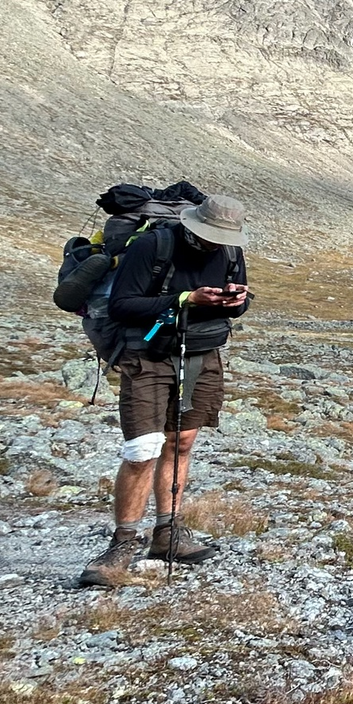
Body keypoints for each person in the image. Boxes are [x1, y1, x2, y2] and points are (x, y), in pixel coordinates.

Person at [78, 194, 252, 586]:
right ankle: (122, 543)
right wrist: (185, 298)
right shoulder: (152, 245)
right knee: (142, 450)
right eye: (208, 236)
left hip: (203, 354)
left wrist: (235, 301)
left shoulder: (229, 251)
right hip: (148, 355)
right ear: (193, 225)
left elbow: (236, 309)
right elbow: (123, 305)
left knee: (182, 442)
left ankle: (168, 532)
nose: (213, 243)